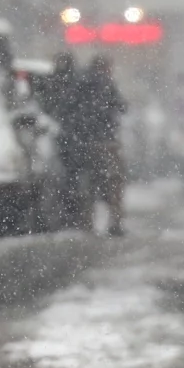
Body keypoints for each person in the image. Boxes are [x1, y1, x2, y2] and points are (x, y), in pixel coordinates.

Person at [74, 56, 129, 237]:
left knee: (89, 184)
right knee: (114, 182)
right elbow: (122, 107)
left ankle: (86, 222)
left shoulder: (81, 84)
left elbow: (73, 110)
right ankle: (115, 222)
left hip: (86, 143)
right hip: (107, 142)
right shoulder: (107, 84)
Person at [38, 53, 90, 229]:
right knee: (71, 179)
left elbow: (48, 105)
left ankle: (69, 213)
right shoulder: (77, 83)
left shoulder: (58, 82)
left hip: (67, 139)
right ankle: (72, 214)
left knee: (67, 179)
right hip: (71, 139)